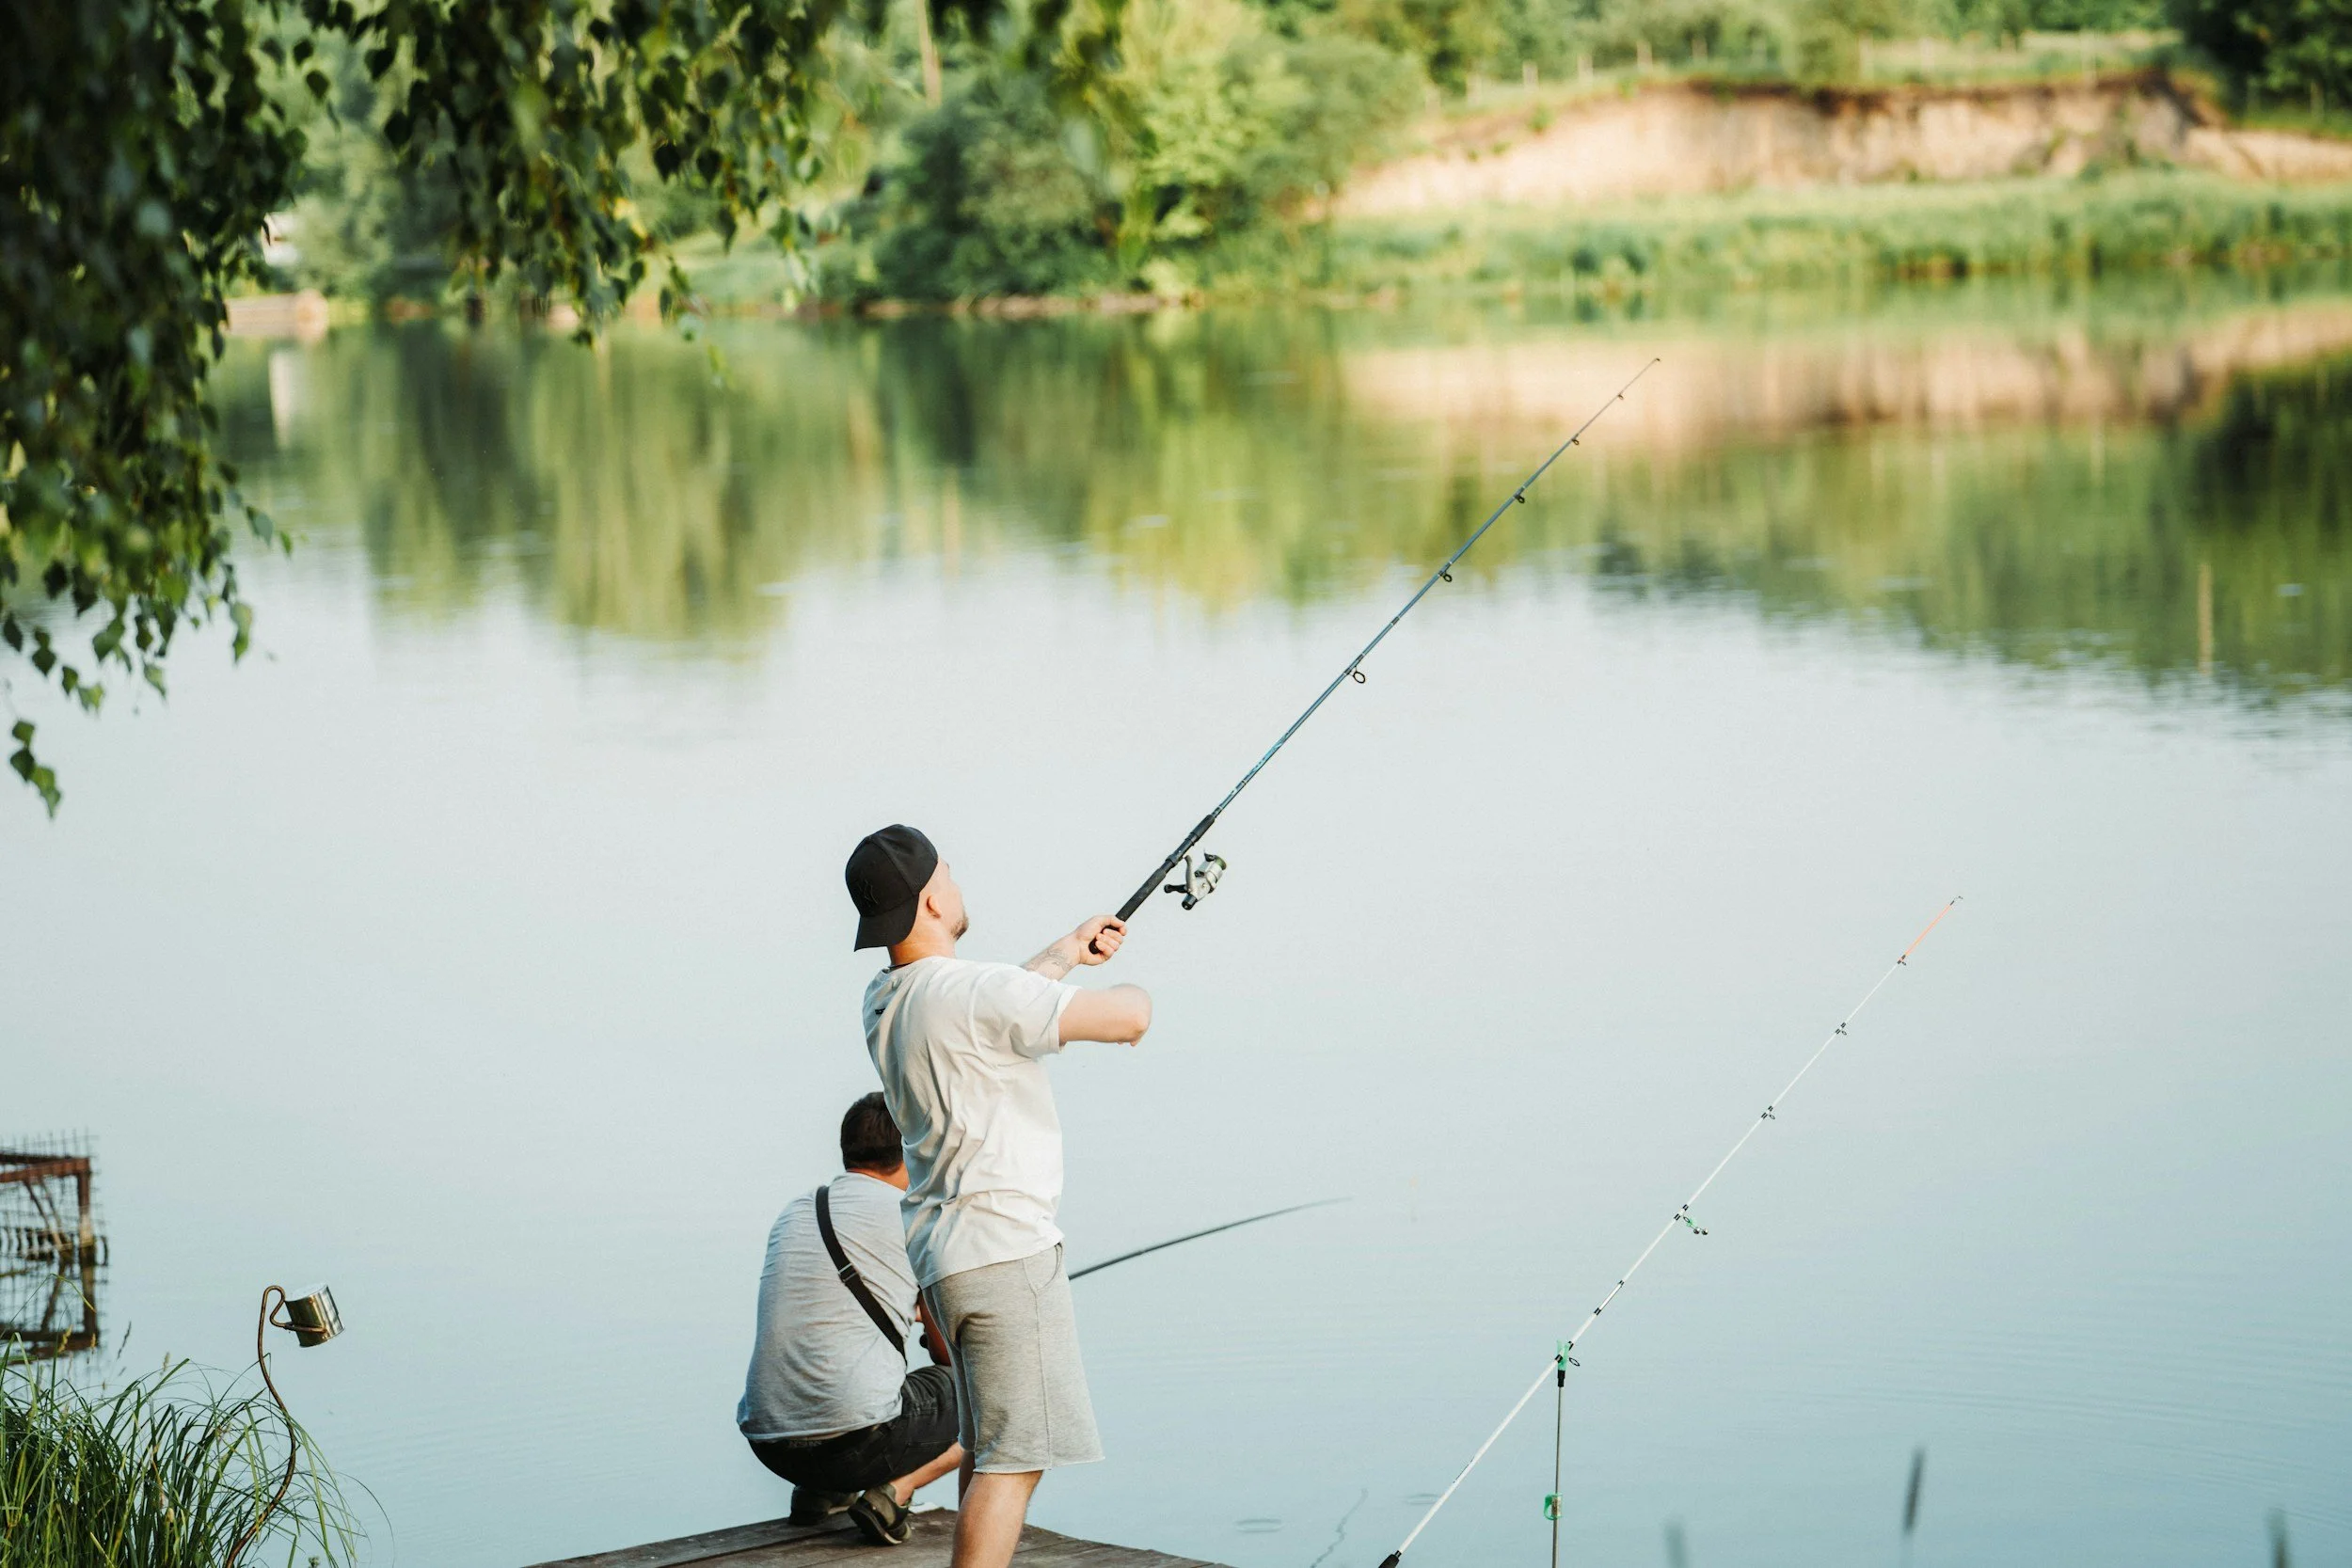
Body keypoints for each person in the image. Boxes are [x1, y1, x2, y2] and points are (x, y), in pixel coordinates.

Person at [844, 824, 1152, 1568]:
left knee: (987, 1448)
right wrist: (1133, 987)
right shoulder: (974, 991)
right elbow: (1128, 1018)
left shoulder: (886, 1001)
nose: (957, 880)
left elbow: (984, 1012)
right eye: (948, 872)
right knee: (1017, 1460)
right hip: (1009, 1254)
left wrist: (1064, 953)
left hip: (947, 1259)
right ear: (929, 899)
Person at [739, 1093, 965, 1545]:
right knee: (983, 1387)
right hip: (857, 1447)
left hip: (771, 1445)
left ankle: (820, 1493)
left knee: (838, 1373)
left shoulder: (798, 1209)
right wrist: (927, 1311)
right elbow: (944, 1352)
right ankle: (893, 1494)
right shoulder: (916, 1221)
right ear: (912, 1149)